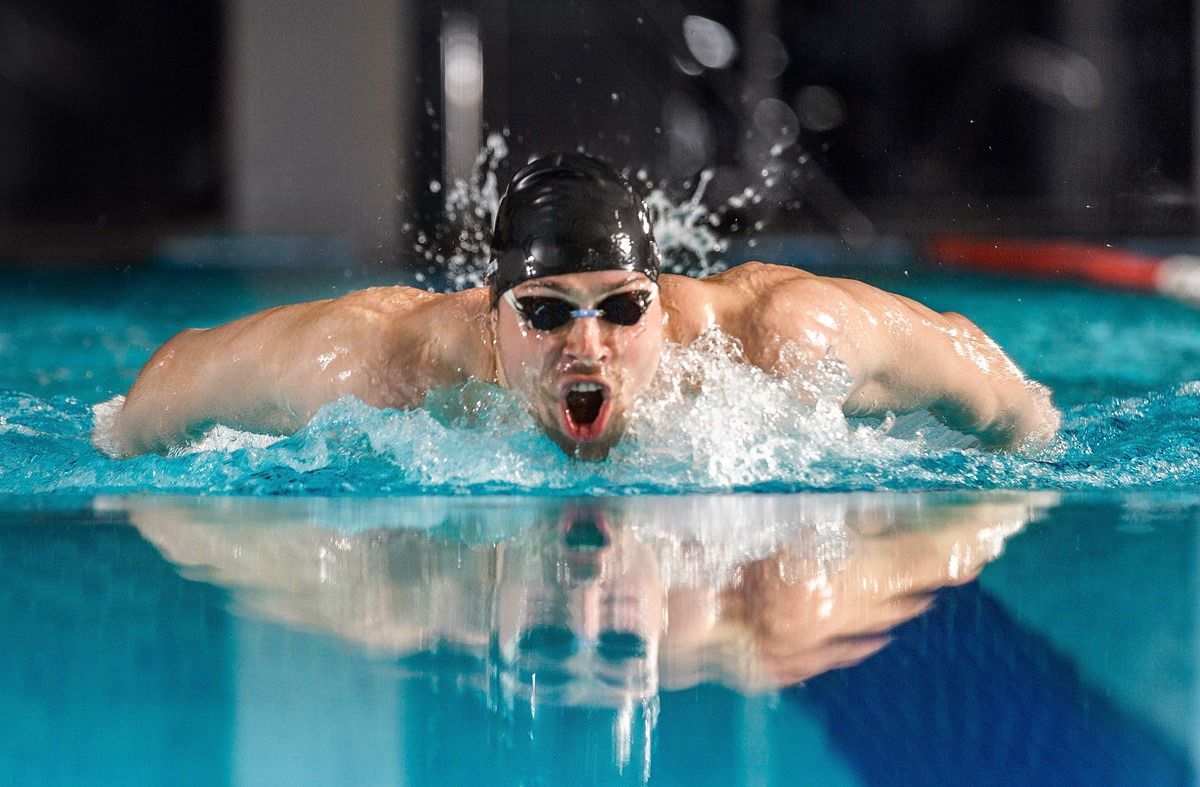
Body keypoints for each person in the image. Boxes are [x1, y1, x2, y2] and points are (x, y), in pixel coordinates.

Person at [105, 152, 1059, 459]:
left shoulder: (778, 342)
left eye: (622, 309)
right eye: (546, 312)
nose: (588, 345)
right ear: (490, 317)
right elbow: (169, 382)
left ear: (662, 305)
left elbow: (997, 389)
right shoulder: (381, 361)